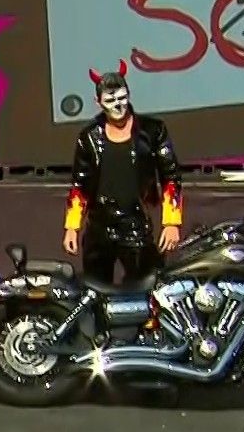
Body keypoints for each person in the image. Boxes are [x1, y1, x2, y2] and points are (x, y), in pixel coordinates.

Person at [63, 60, 183, 286]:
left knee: (147, 289)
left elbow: (171, 177)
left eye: (122, 98)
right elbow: (79, 185)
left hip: (135, 226)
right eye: (110, 100)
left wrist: (171, 223)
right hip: (99, 228)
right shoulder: (89, 137)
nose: (117, 105)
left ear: (129, 95)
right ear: (98, 102)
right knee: (95, 291)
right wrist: (72, 227)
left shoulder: (153, 130)